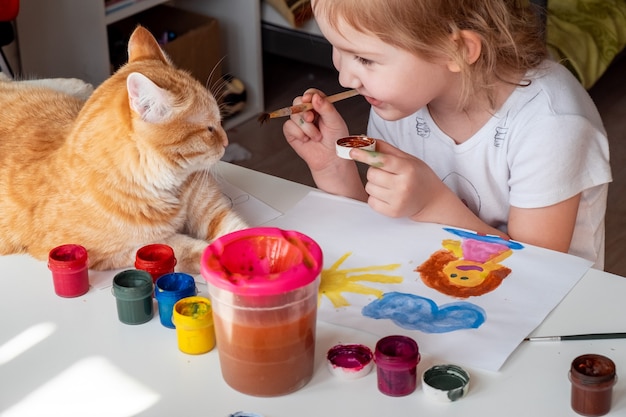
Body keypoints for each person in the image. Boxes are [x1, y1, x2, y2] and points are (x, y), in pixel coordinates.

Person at [282, 0, 611, 269]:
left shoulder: (551, 124)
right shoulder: (400, 101)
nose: (345, 77)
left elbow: (536, 269)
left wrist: (431, 204)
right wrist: (334, 169)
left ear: (456, 51)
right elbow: (387, 223)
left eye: (365, 59)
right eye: (338, 49)